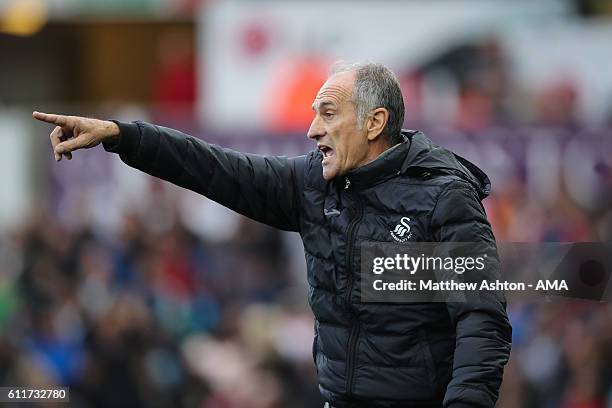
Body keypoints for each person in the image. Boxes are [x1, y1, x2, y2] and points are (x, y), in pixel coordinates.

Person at [33, 62, 512, 408]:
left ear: (375, 122)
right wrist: (122, 135)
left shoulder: (442, 197)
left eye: (327, 113)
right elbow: (211, 167)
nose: (311, 130)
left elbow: (480, 319)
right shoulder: (312, 186)